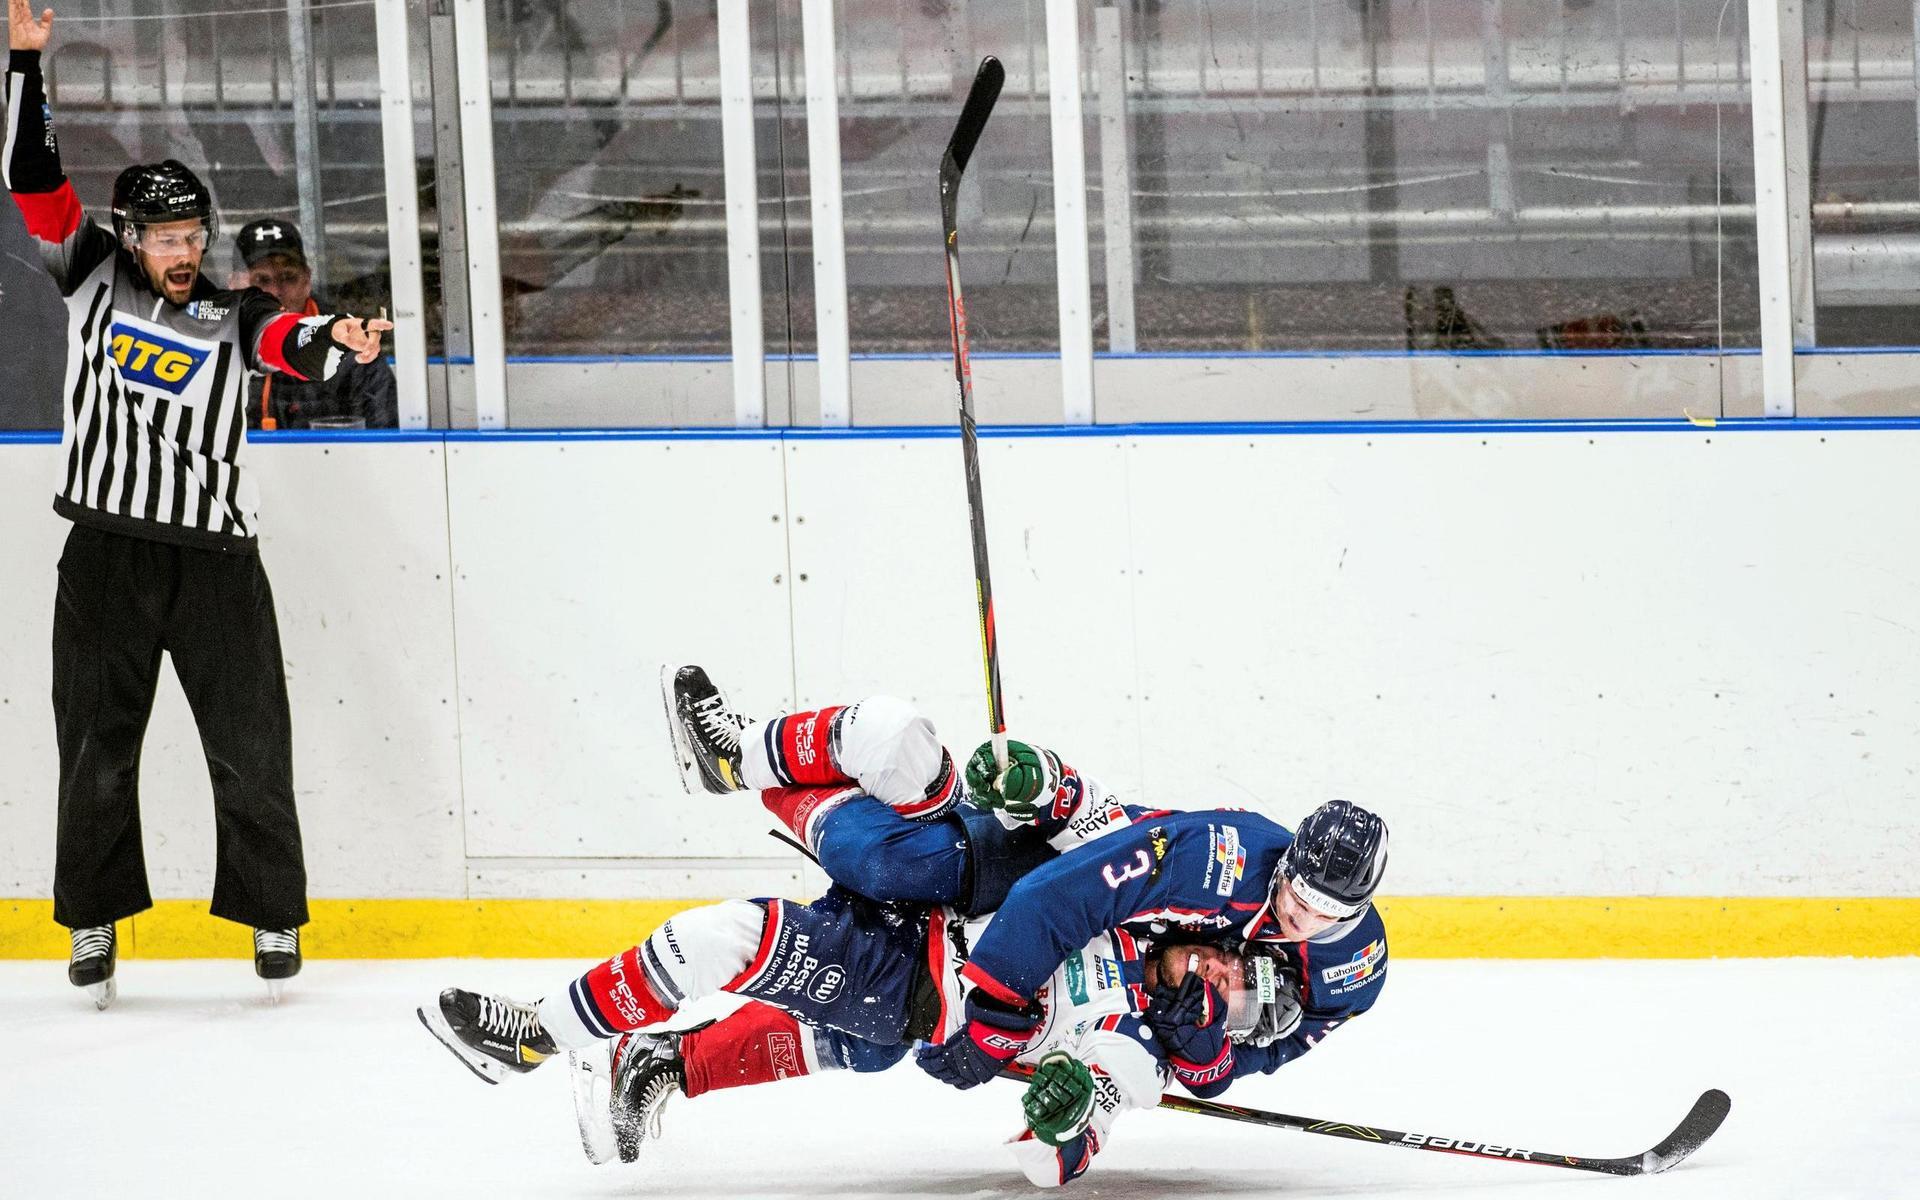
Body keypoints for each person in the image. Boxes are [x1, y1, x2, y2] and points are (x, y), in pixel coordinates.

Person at [5, 1, 393, 1007]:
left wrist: (336, 340)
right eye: (164, 235)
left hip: (218, 560)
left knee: (250, 739)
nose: (182, 250)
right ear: (127, 235)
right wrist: (23, 64)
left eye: (192, 234)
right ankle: (93, 916)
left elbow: (285, 340)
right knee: (94, 742)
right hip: (103, 551)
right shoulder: (89, 275)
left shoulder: (230, 312)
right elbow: (29, 179)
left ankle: (270, 911)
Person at [233, 217, 398, 430]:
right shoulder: (210, 349)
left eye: (288, 277)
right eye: (262, 281)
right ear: (234, 285)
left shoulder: (350, 348)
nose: (276, 292)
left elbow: (386, 440)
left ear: (307, 280)